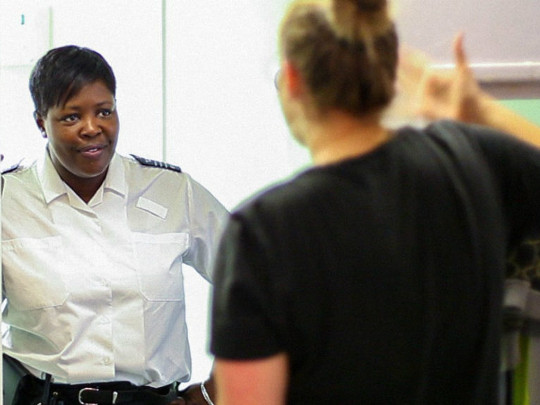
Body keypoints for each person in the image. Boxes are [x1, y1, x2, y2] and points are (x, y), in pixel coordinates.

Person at [209, 0, 540, 403]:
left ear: (294, 80)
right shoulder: (470, 161)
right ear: (387, 71)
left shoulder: (262, 232)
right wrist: (482, 111)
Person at [1, 45, 227, 405]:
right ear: (41, 122)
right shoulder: (7, 200)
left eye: (104, 111)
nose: (92, 128)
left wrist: (217, 389)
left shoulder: (171, 190)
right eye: (71, 117)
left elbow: (265, 285)